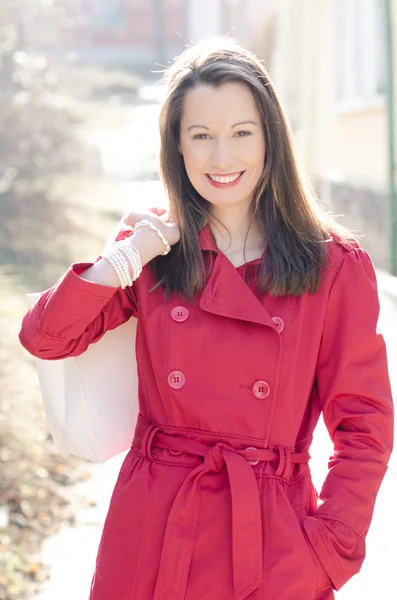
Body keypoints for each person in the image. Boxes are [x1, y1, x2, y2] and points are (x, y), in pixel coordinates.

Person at [19, 38, 394, 600]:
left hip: (271, 541)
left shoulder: (333, 266)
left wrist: (328, 550)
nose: (223, 158)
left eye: (242, 133)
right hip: (151, 530)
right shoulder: (152, 252)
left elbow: (364, 426)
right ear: (178, 146)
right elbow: (46, 338)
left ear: (271, 138)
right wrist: (124, 256)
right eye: (202, 136)